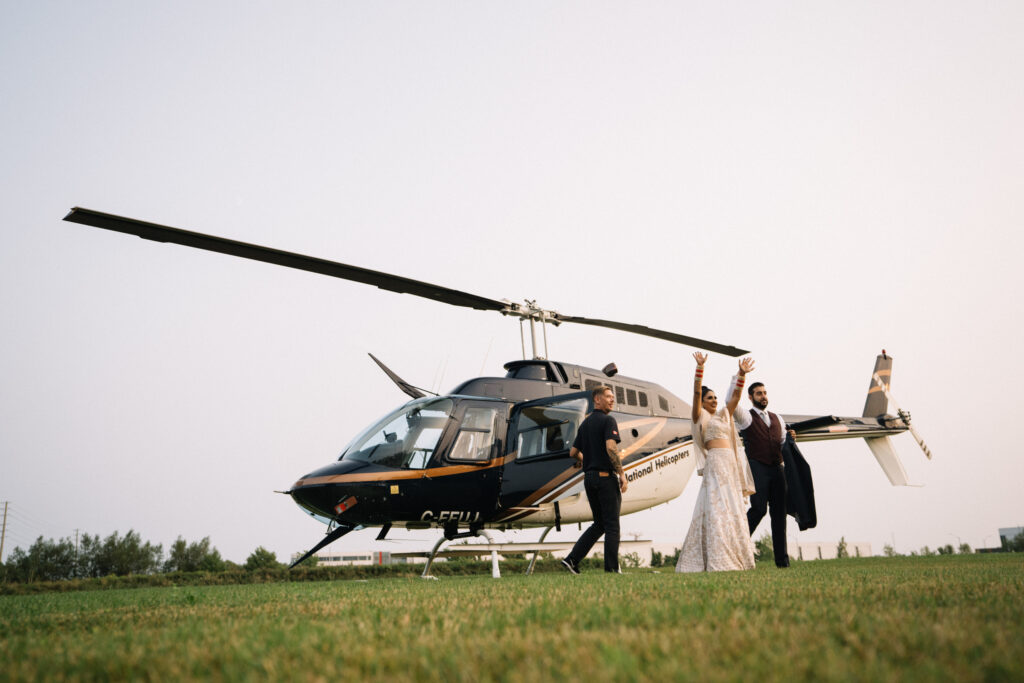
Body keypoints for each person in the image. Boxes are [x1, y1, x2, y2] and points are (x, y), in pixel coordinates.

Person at [676, 353, 757, 573]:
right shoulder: (699, 416)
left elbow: (736, 398)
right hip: (715, 462)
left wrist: (741, 374)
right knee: (716, 507)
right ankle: (717, 556)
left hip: (729, 462)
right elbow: (696, 393)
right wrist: (699, 369)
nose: (714, 400)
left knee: (732, 506)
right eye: (709, 398)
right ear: (703, 402)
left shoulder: (723, 415)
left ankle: (739, 554)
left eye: (715, 397)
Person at [561, 385, 628, 574]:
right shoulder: (608, 421)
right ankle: (612, 570)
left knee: (599, 524)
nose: (612, 399)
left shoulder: (585, 424)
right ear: (597, 399)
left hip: (589, 479)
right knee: (612, 526)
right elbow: (611, 448)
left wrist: (588, 460)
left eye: (612, 397)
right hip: (605, 479)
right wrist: (621, 473)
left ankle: (571, 560)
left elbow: (573, 452)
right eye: (608, 396)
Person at [734, 380, 796, 568]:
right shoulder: (746, 417)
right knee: (759, 509)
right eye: (759, 393)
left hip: (778, 469)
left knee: (779, 515)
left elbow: (783, 443)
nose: (763, 396)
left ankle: (782, 562)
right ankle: (736, 550)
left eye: (765, 393)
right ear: (750, 397)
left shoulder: (778, 418)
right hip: (758, 467)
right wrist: (740, 376)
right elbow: (731, 400)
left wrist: (791, 438)